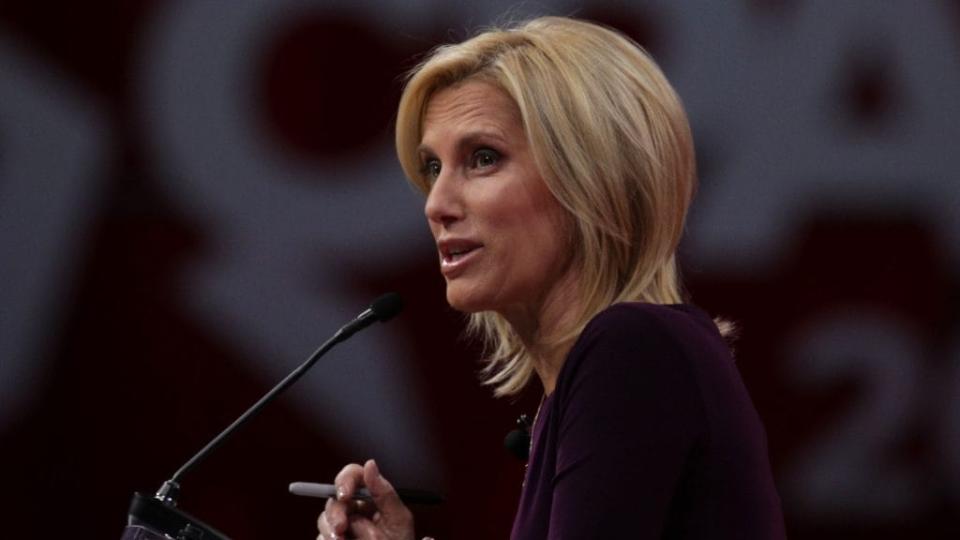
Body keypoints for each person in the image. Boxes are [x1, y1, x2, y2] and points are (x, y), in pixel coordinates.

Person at [316, 16, 787, 540]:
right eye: (432, 168)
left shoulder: (632, 348)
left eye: (483, 158)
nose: (437, 204)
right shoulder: (605, 371)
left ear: (589, 178)